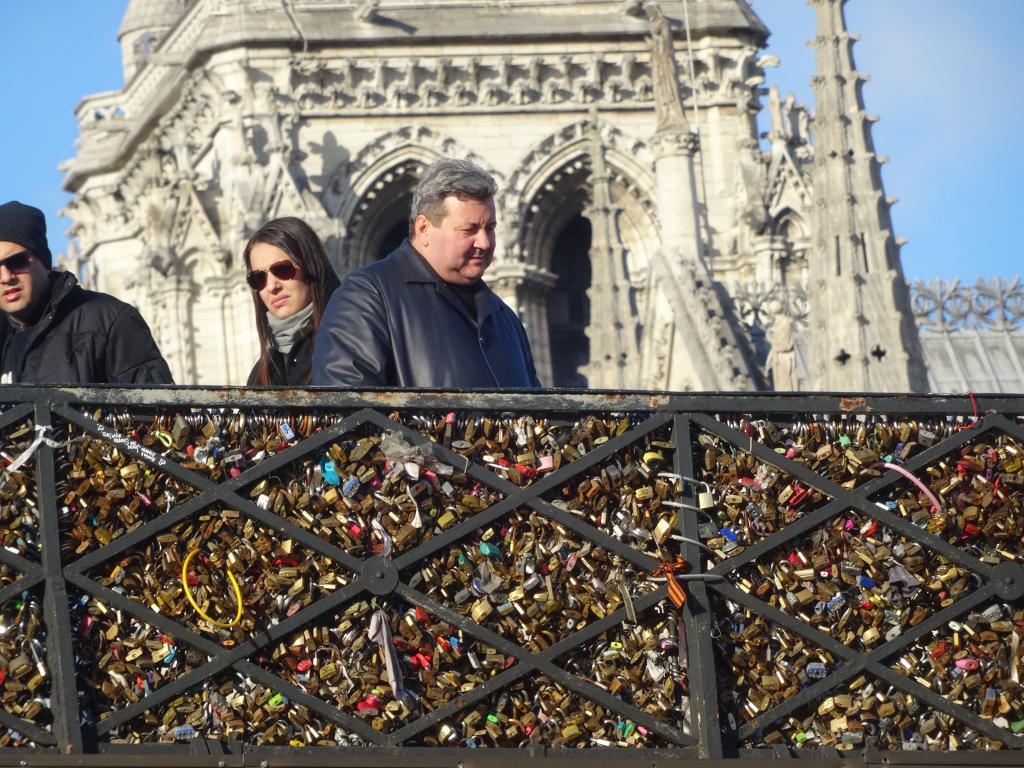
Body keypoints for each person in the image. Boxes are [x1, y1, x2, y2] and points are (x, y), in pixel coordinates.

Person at [312, 158, 541, 388]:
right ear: (423, 229)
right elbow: (348, 410)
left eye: (489, 228)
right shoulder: (368, 297)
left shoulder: (504, 318)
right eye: (468, 230)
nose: (484, 242)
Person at [0, 201, 173, 385]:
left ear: (44, 262)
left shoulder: (108, 321)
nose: (5, 277)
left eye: (16, 262)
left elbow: (157, 411)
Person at [244, 217, 340, 385]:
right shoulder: (261, 375)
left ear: (310, 267)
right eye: (259, 278)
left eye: (282, 269)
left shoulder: (346, 341)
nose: (272, 286)